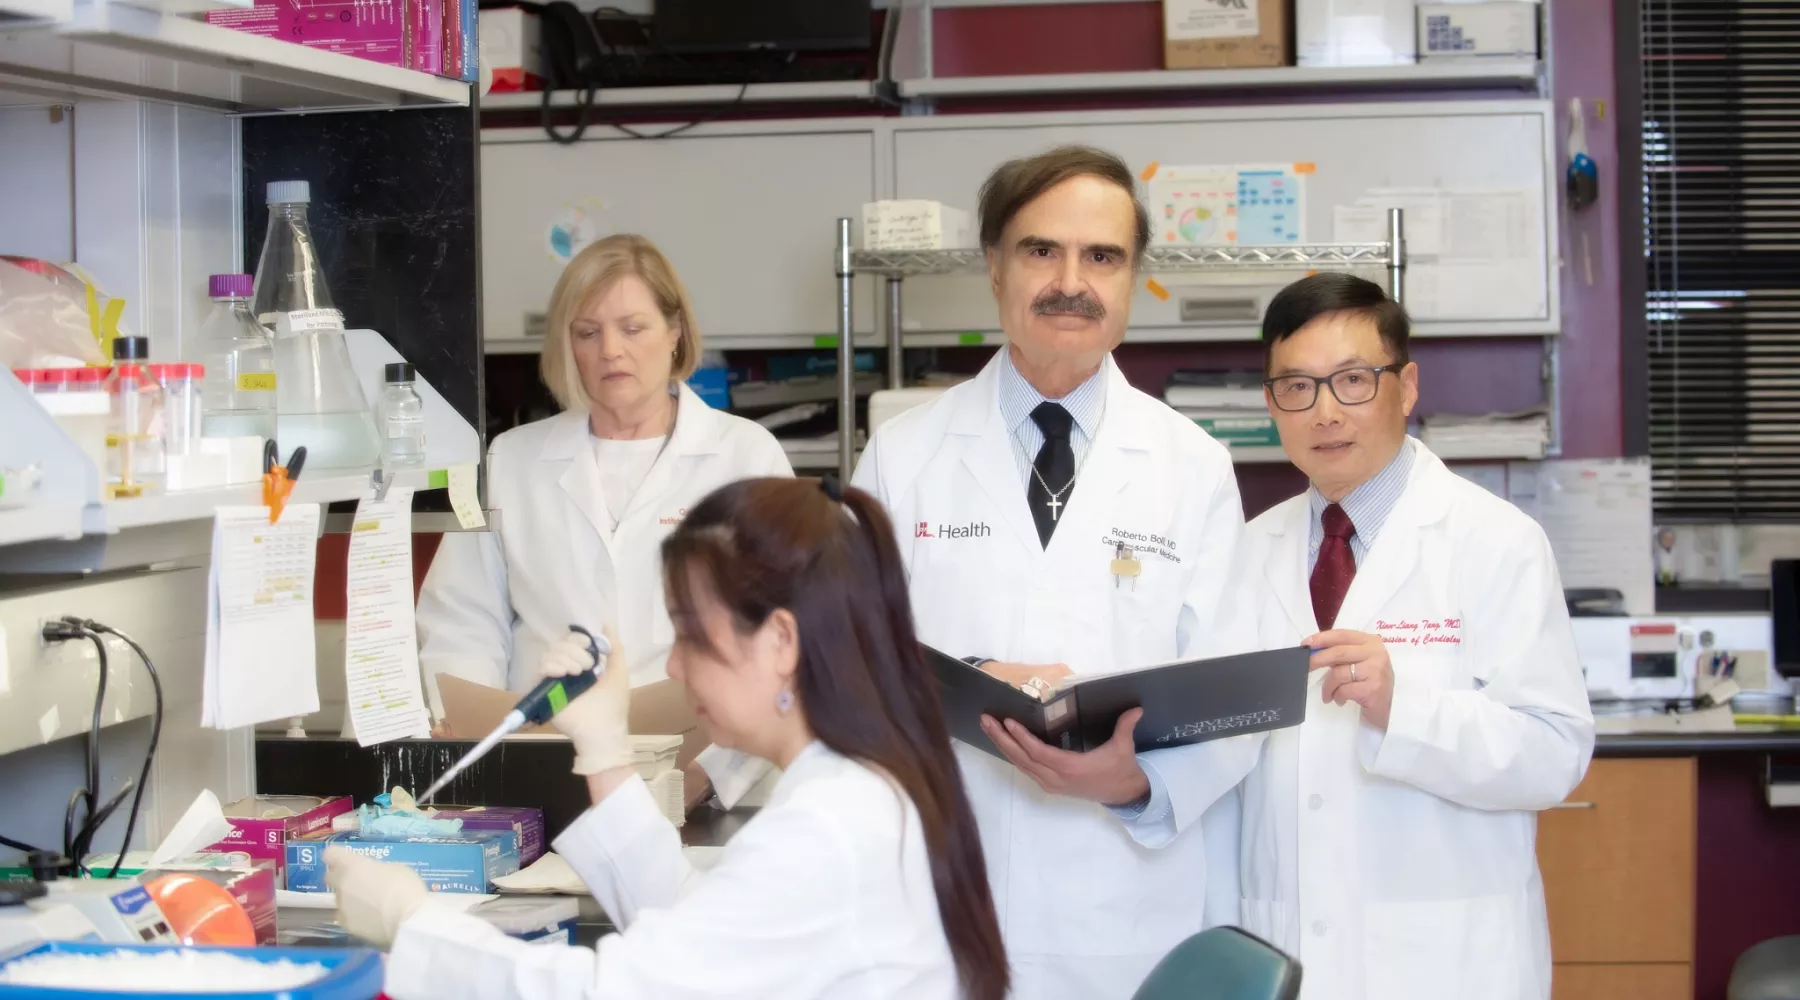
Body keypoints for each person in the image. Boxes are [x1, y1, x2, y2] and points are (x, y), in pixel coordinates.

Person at [329, 477, 1010, 1000]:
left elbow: (619, 991)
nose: (676, 667)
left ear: (779, 641)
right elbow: (699, 930)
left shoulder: (829, 826)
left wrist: (411, 922)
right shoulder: (861, 783)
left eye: (691, 634)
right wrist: (603, 750)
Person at [851, 145, 1258, 1000]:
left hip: (1123, 916)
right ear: (994, 267)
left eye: (1101, 256)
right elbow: (844, 669)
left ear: (1133, 278)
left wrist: (1141, 779)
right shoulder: (903, 457)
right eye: (1041, 250)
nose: (1070, 280)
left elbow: (1236, 699)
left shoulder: (1192, 465)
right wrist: (961, 685)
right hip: (939, 906)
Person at [1233, 273, 1595, 1000]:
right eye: (1297, 388)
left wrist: (1405, 707)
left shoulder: (1496, 541)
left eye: (1354, 381)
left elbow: (1556, 754)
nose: (1326, 412)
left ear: (1407, 386)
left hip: (1446, 965)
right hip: (1283, 951)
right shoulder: (1244, 552)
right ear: (1273, 404)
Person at [415, 234, 791, 809]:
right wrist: (483, 747)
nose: (611, 349)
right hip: (539, 776)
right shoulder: (512, 459)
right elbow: (461, 622)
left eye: (633, 328)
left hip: (703, 778)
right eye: (588, 332)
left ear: (675, 332)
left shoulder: (746, 457)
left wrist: (707, 776)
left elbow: (789, 639)